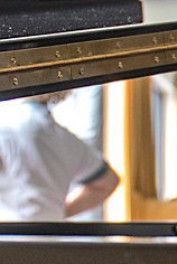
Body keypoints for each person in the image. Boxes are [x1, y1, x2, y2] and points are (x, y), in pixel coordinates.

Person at [0, 91, 121, 221]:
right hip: (53, 235)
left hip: (11, 235)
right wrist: (56, 212)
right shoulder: (67, 139)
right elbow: (109, 182)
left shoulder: (6, 128)